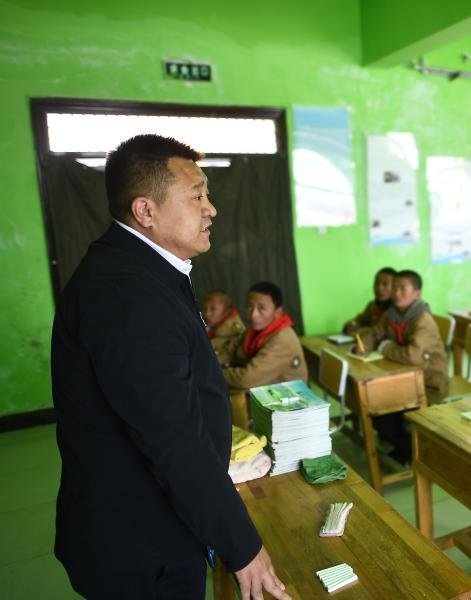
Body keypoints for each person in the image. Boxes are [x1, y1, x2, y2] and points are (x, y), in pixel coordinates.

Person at [51, 134, 289, 599]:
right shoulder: (126, 294)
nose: (211, 209)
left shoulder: (142, 269)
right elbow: (173, 441)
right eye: (197, 195)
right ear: (146, 211)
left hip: (152, 522)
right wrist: (242, 547)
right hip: (140, 545)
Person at [355, 269, 448, 464]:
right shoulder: (392, 313)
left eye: (403, 288)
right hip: (402, 377)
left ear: (417, 293)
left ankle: (411, 451)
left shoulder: (423, 320)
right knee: (375, 406)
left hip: (428, 382)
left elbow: (413, 356)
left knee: (381, 409)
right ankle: (404, 447)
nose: (396, 293)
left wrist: (386, 348)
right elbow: (376, 332)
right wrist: (365, 346)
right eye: (395, 288)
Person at [220, 281, 309, 392]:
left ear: (278, 312)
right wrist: (214, 363)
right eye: (249, 307)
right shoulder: (255, 330)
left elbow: (246, 379)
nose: (253, 315)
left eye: (261, 309)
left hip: (287, 397)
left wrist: (215, 372)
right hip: (263, 390)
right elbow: (231, 349)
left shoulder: (283, 339)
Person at [343, 267, 396, 334]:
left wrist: (359, 330)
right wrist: (352, 324)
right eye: (376, 283)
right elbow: (361, 320)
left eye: (385, 284)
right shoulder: (372, 306)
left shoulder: (396, 310)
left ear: (395, 287)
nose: (379, 288)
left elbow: (379, 332)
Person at [203, 290, 246, 358]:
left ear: (227, 311)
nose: (207, 314)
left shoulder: (236, 335)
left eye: (213, 309)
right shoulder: (208, 327)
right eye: (205, 308)